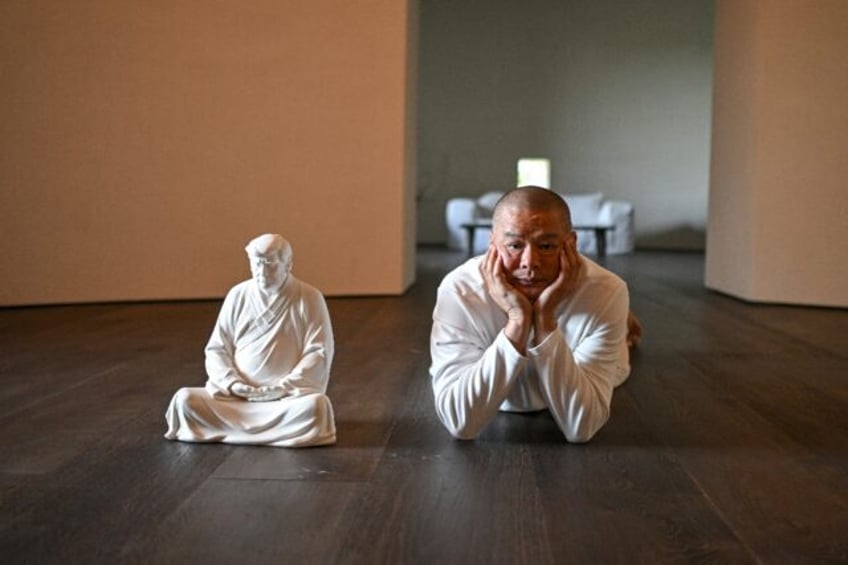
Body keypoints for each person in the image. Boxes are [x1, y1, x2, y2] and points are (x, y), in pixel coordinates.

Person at [430, 186, 632, 442]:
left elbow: (582, 427)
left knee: (622, 354)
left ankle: (625, 328)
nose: (529, 262)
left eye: (546, 246)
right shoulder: (458, 291)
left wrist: (545, 320)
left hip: (599, 349)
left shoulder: (607, 291)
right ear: (492, 244)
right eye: (514, 245)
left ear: (571, 244)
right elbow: (460, 422)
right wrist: (518, 320)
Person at [165, 233, 336, 447]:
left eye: (269, 264)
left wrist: (284, 387)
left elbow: (318, 352)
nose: (261, 272)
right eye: (256, 265)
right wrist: (233, 383)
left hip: (284, 401)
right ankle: (270, 433)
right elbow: (217, 348)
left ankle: (242, 430)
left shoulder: (309, 297)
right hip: (237, 400)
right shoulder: (238, 295)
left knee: (316, 407)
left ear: (288, 264)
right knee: (185, 401)